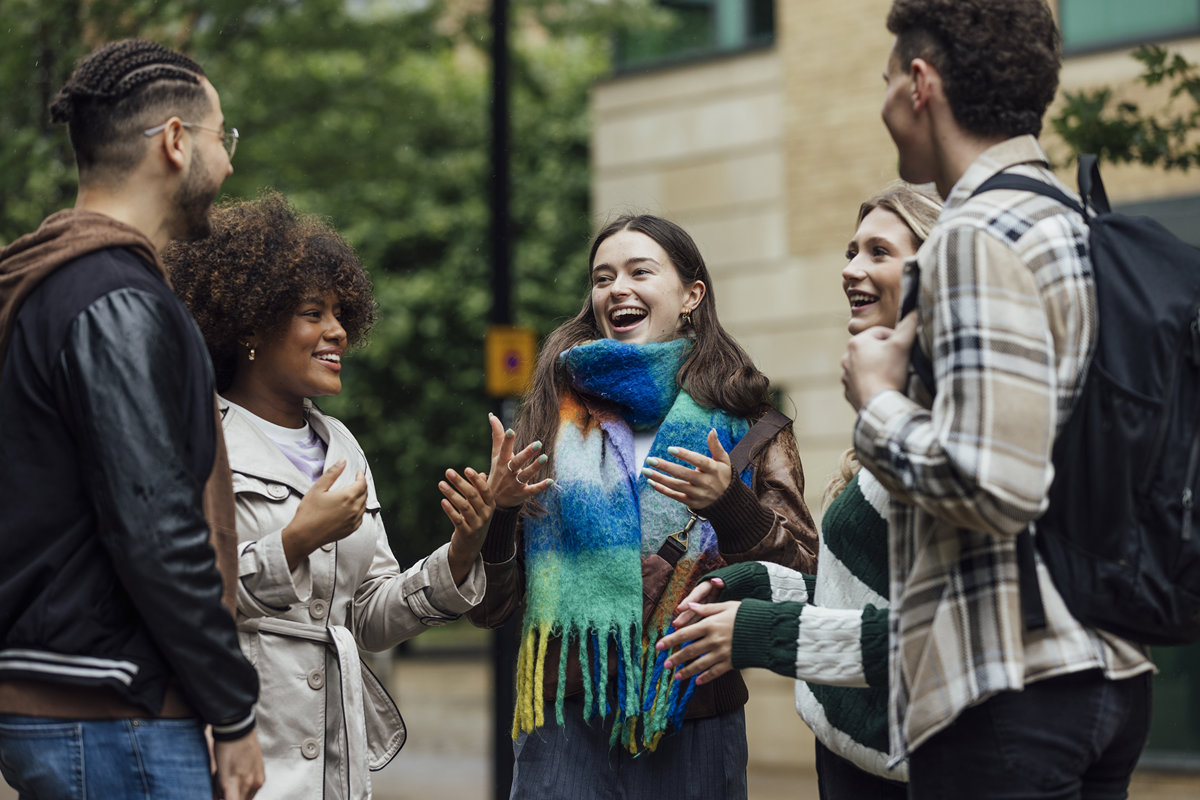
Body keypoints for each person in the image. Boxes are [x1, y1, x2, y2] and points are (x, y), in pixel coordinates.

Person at [841, 1, 1154, 797]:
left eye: (885, 81)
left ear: (921, 82)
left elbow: (995, 484)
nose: (882, 104)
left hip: (1009, 684)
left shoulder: (978, 233)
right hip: (1105, 669)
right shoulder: (1074, 219)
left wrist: (877, 403)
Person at [467, 213, 819, 799]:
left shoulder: (750, 423)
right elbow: (491, 606)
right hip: (565, 717)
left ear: (690, 296)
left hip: (695, 714)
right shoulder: (552, 416)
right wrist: (500, 514)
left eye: (640, 271)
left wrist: (729, 503)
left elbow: (803, 576)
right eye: (603, 277)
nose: (617, 288)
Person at [163, 190, 495, 800]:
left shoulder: (342, 446)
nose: (337, 332)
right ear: (249, 324)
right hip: (238, 756)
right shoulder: (196, 437)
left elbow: (367, 616)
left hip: (335, 774)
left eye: (341, 313)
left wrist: (461, 555)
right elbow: (174, 596)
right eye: (313, 313)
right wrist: (294, 541)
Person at [0, 39, 263, 800]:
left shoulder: (48, 283)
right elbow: (154, 528)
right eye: (225, 138)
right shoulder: (113, 299)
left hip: (73, 701)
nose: (231, 164)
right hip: (113, 712)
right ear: (176, 142)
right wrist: (234, 708)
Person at [658, 184, 941, 800]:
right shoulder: (900, 411)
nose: (850, 268)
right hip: (851, 757)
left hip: (918, 764)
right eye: (850, 250)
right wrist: (751, 585)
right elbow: (849, 594)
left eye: (878, 252)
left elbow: (938, 635)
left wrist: (757, 632)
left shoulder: (944, 428)